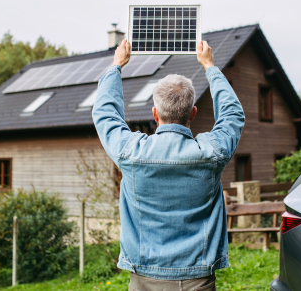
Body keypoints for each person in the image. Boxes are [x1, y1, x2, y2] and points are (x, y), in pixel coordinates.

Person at [92, 39, 245, 291]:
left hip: (144, 279)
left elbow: (105, 114)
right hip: (198, 279)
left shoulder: (131, 153)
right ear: (192, 113)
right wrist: (210, 67)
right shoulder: (212, 152)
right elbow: (232, 115)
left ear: (154, 114)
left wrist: (116, 66)